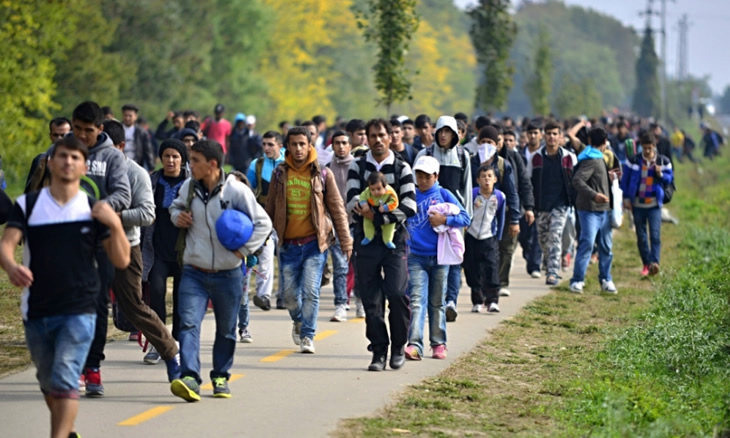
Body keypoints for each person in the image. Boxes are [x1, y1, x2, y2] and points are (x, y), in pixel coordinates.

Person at [0, 135, 130, 438]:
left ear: (84, 166)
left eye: (75, 157)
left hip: (80, 308)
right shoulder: (28, 205)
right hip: (38, 308)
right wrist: (11, 266)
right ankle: (66, 430)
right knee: (48, 382)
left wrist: (115, 222)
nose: (68, 162)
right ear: (51, 162)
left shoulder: (94, 209)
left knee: (65, 377)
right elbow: (7, 245)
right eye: (63, 156)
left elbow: (121, 259)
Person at [169, 139, 271, 401]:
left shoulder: (236, 192)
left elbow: (263, 223)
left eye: (194, 161)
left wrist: (243, 250)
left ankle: (221, 377)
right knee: (189, 324)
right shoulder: (189, 188)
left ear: (212, 164)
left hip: (229, 273)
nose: (189, 166)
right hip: (194, 270)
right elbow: (175, 207)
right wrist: (178, 217)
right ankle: (190, 376)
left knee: (226, 329)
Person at [102, 120, 181, 376]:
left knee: (134, 306)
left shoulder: (136, 173)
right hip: (90, 247)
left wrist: (113, 215)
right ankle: (87, 367)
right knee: (85, 306)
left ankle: (169, 350)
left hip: (128, 246)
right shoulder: (85, 170)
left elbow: (148, 214)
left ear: (121, 146)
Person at [265, 127, 353, 354]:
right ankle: (298, 320)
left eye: (302, 144)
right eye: (293, 144)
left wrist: (346, 242)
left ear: (310, 145)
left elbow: (337, 208)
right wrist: (262, 238)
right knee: (290, 296)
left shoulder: (322, 173)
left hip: (315, 243)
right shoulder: (279, 174)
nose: (298, 149)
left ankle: (308, 335)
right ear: (288, 147)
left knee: (311, 291)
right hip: (288, 245)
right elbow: (270, 209)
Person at [346, 118, 417, 371]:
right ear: (366, 138)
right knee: (371, 300)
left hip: (394, 240)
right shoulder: (357, 165)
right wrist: (363, 213)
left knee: (397, 294)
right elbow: (351, 201)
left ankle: (399, 345)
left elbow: (409, 206)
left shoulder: (402, 168)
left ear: (390, 137)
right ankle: (378, 350)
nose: (377, 140)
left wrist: (376, 216)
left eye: (381, 135)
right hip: (365, 242)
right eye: (372, 135)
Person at [72, 101, 132, 398]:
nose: (82, 135)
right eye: (77, 129)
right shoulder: (63, 154)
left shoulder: (112, 157)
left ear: (100, 129)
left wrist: (97, 207)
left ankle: (92, 366)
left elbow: (123, 193)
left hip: (102, 240)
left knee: (97, 304)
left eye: (88, 130)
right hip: (65, 241)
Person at [405, 156, 470, 361]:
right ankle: (414, 344)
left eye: (427, 176)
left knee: (437, 303)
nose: (422, 180)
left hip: (440, 258)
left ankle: (438, 343)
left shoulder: (444, 194)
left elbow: (465, 217)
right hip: (415, 256)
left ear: (436, 176)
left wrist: (445, 219)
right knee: (416, 301)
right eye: (419, 176)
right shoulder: (410, 195)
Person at [415, 115, 472, 322]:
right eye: (441, 131)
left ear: (456, 134)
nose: (444, 135)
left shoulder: (462, 155)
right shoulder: (425, 153)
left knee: (454, 259)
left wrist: (467, 217)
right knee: (433, 256)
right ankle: (432, 297)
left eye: (448, 131)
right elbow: (416, 184)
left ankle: (451, 301)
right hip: (428, 216)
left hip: (454, 214)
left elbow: (466, 186)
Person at [141, 139, 189, 346]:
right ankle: (160, 340)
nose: (170, 160)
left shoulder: (192, 183)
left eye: (175, 156)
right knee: (157, 292)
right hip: (156, 249)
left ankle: (178, 339)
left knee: (182, 297)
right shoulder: (151, 181)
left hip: (184, 251)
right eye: (167, 156)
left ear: (182, 159)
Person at [569, 127, 618, 294]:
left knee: (605, 246)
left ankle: (606, 279)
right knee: (587, 243)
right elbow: (577, 180)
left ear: (590, 141)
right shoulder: (591, 159)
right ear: (605, 143)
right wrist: (594, 195)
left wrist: (609, 178)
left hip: (604, 210)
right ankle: (577, 280)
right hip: (590, 210)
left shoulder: (598, 158)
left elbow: (596, 180)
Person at [527, 120, 576, 286]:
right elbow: (528, 182)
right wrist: (529, 206)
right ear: (544, 136)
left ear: (560, 136)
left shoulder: (569, 158)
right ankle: (549, 263)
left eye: (555, 134)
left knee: (555, 237)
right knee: (543, 239)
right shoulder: (536, 158)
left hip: (561, 205)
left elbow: (575, 181)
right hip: (541, 205)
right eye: (548, 134)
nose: (552, 137)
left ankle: (552, 272)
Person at [621, 131, 674, 277]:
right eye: (645, 148)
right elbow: (625, 181)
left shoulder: (663, 161)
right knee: (641, 236)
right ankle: (646, 264)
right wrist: (626, 199)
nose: (647, 151)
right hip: (637, 204)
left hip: (654, 204)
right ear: (641, 147)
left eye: (650, 148)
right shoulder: (633, 161)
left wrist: (660, 174)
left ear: (654, 146)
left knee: (655, 235)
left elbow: (670, 179)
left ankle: (654, 263)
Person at [246, 131, 286, 312]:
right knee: (266, 256)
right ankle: (264, 295)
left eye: (270, 144)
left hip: (287, 216)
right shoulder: (257, 165)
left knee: (287, 257)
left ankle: (285, 295)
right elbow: (247, 189)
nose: (266, 148)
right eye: (264, 144)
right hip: (264, 217)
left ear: (280, 146)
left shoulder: (290, 164)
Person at [463, 166, 506, 313]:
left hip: (489, 238)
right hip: (472, 236)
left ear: (495, 179)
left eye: (489, 176)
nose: (486, 179)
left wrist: (498, 237)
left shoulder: (499, 197)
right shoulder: (473, 194)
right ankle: (477, 300)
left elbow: (501, 218)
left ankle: (492, 300)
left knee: (491, 268)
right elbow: (467, 212)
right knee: (473, 269)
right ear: (477, 180)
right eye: (483, 176)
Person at [326, 131, 357, 321]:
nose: (341, 146)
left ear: (350, 145)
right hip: (336, 223)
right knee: (340, 265)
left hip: (357, 222)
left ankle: (361, 301)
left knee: (360, 265)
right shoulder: (327, 168)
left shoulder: (358, 166)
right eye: (337, 143)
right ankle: (340, 304)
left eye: (344, 142)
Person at [25, 117, 73, 193]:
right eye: (56, 135)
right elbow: (30, 190)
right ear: (50, 136)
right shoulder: (40, 159)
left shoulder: (78, 160)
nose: (59, 138)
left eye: (63, 135)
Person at [358, 172, 399, 249]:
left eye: (379, 189)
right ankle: (368, 236)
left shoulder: (390, 192)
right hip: (372, 210)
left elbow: (395, 202)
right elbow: (362, 197)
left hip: (387, 213)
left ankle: (388, 240)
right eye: (372, 189)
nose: (376, 192)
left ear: (385, 186)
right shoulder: (367, 191)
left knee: (389, 225)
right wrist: (364, 205)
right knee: (367, 221)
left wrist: (385, 207)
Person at [121, 104, 156, 170]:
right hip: (120, 164)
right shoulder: (117, 129)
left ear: (135, 117)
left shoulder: (141, 132)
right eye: (125, 115)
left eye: (130, 116)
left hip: (136, 165)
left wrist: (151, 167)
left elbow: (148, 150)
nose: (127, 118)